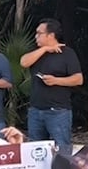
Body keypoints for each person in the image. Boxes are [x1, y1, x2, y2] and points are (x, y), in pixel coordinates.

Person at [19, 18, 83, 154]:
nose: (36, 36)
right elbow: (24, 62)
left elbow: (78, 79)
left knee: (62, 150)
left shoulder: (67, 53)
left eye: (39, 33)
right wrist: (46, 49)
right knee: (35, 151)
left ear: (51, 35)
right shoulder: (38, 53)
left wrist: (56, 81)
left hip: (58, 111)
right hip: (36, 110)